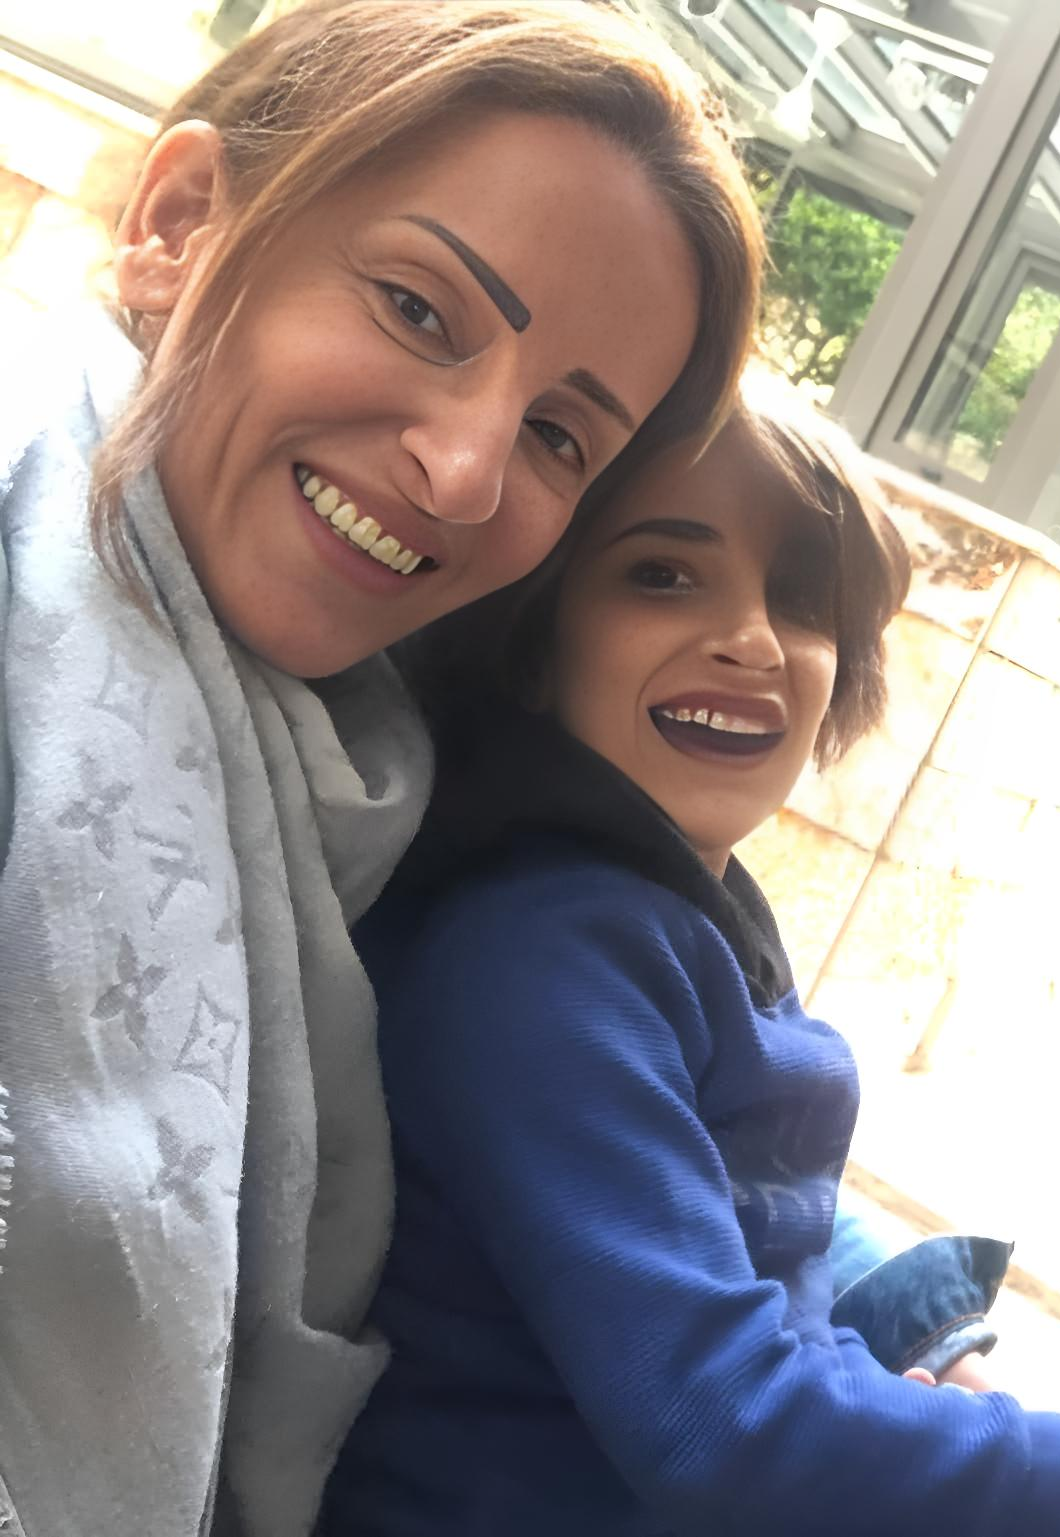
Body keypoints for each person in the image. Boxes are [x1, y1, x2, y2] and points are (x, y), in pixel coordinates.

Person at [0, 5, 763, 1534]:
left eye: (560, 437)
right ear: (179, 224)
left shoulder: (364, 768)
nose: (468, 470)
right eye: (420, 309)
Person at [320, 378, 1060, 1537]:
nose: (752, 641)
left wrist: (926, 1349)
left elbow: (759, 1230)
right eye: (661, 575)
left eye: (801, 601)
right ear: (532, 639)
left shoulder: (674, 911)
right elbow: (726, 1423)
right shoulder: (540, 966)